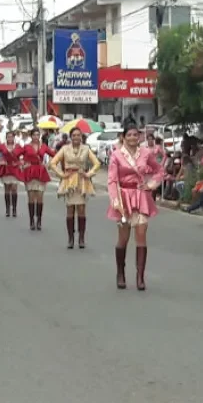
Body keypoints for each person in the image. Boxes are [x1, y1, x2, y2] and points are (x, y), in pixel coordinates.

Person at [107, 123, 164, 291]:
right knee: (123, 238)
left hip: (140, 196)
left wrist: (152, 184)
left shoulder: (146, 153)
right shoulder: (116, 155)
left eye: (135, 135)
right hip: (123, 196)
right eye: (129, 135)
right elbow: (112, 179)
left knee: (141, 235)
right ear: (123, 137)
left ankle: (140, 277)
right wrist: (115, 199)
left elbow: (159, 170)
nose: (132, 138)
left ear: (139, 137)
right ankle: (120, 273)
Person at [49, 129, 101, 249]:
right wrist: (61, 175)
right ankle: (70, 238)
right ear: (70, 137)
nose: (76, 137)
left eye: (78, 135)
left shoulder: (86, 149)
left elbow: (97, 163)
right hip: (69, 180)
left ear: (81, 137)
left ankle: (81, 238)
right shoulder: (65, 149)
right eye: (74, 135)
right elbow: (52, 163)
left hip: (82, 180)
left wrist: (89, 174)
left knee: (81, 208)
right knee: (70, 209)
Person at [16, 130, 54, 231]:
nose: (36, 137)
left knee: (40, 198)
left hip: (41, 172)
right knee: (31, 197)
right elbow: (15, 155)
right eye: (34, 135)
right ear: (31, 136)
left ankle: (39, 221)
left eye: (38, 135)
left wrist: (49, 164)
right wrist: (22, 164)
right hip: (30, 172)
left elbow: (54, 155)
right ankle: (32, 221)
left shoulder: (44, 146)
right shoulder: (27, 146)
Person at [0, 131, 23, 217]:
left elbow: (23, 156)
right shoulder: (2, 146)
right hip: (6, 168)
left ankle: (14, 209)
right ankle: (7, 209)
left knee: (14, 188)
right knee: (7, 189)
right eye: (8, 137)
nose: (10, 138)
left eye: (11, 137)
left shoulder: (18, 146)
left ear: (14, 138)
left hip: (14, 169)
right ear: (6, 138)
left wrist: (19, 163)